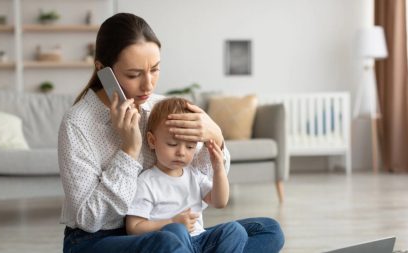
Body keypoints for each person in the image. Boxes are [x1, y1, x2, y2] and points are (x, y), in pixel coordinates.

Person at [58, 12, 284, 253]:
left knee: (268, 230)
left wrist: (216, 136)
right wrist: (129, 150)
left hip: (172, 231)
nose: (148, 85)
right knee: (169, 240)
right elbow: (89, 219)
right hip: (98, 240)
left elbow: (200, 180)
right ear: (104, 71)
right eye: (134, 75)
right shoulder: (77, 124)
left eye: (155, 69)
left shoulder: (161, 109)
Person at [126, 97, 247, 252]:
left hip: (200, 240)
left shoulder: (194, 175)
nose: (181, 152)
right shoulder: (146, 182)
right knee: (177, 231)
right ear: (152, 141)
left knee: (235, 230)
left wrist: (218, 170)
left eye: (190, 146)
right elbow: (133, 227)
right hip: (172, 242)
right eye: (172, 144)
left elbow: (220, 202)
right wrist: (171, 222)